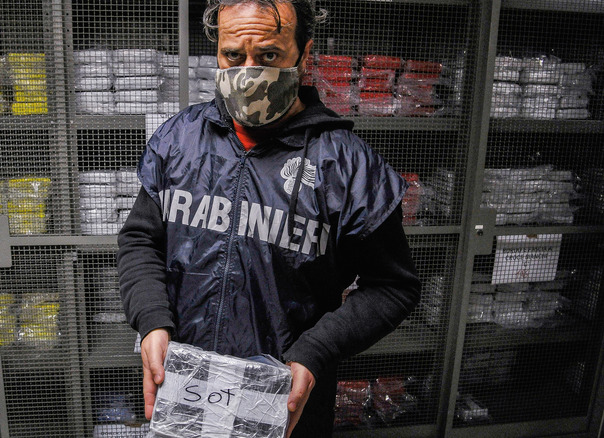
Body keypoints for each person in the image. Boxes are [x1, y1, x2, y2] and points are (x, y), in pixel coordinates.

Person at [117, 0, 422, 436]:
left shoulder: (347, 165)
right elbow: (141, 240)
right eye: (232, 56)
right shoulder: (179, 138)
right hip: (184, 386)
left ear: (304, 53)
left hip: (284, 401)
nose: (247, 70)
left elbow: (393, 286)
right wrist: (150, 321)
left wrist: (315, 351)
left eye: (269, 56)